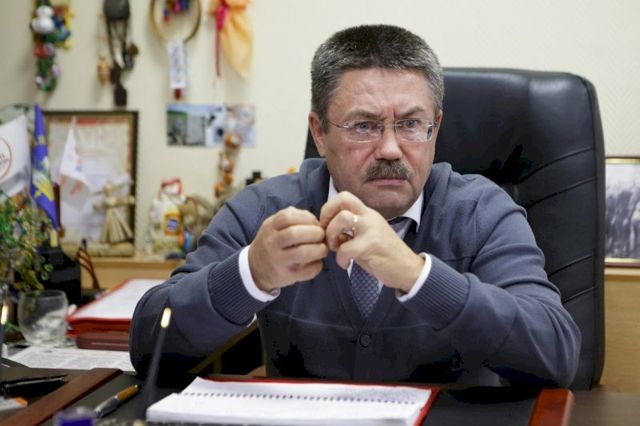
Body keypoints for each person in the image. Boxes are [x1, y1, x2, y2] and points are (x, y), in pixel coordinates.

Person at [130, 24, 581, 387]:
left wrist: (416, 276)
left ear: (436, 128)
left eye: (410, 124)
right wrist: (251, 273)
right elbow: (150, 343)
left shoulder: (482, 211)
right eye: (364, 126)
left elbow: (556, 354)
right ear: (320, 132)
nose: (390, 149)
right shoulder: (267, 209)